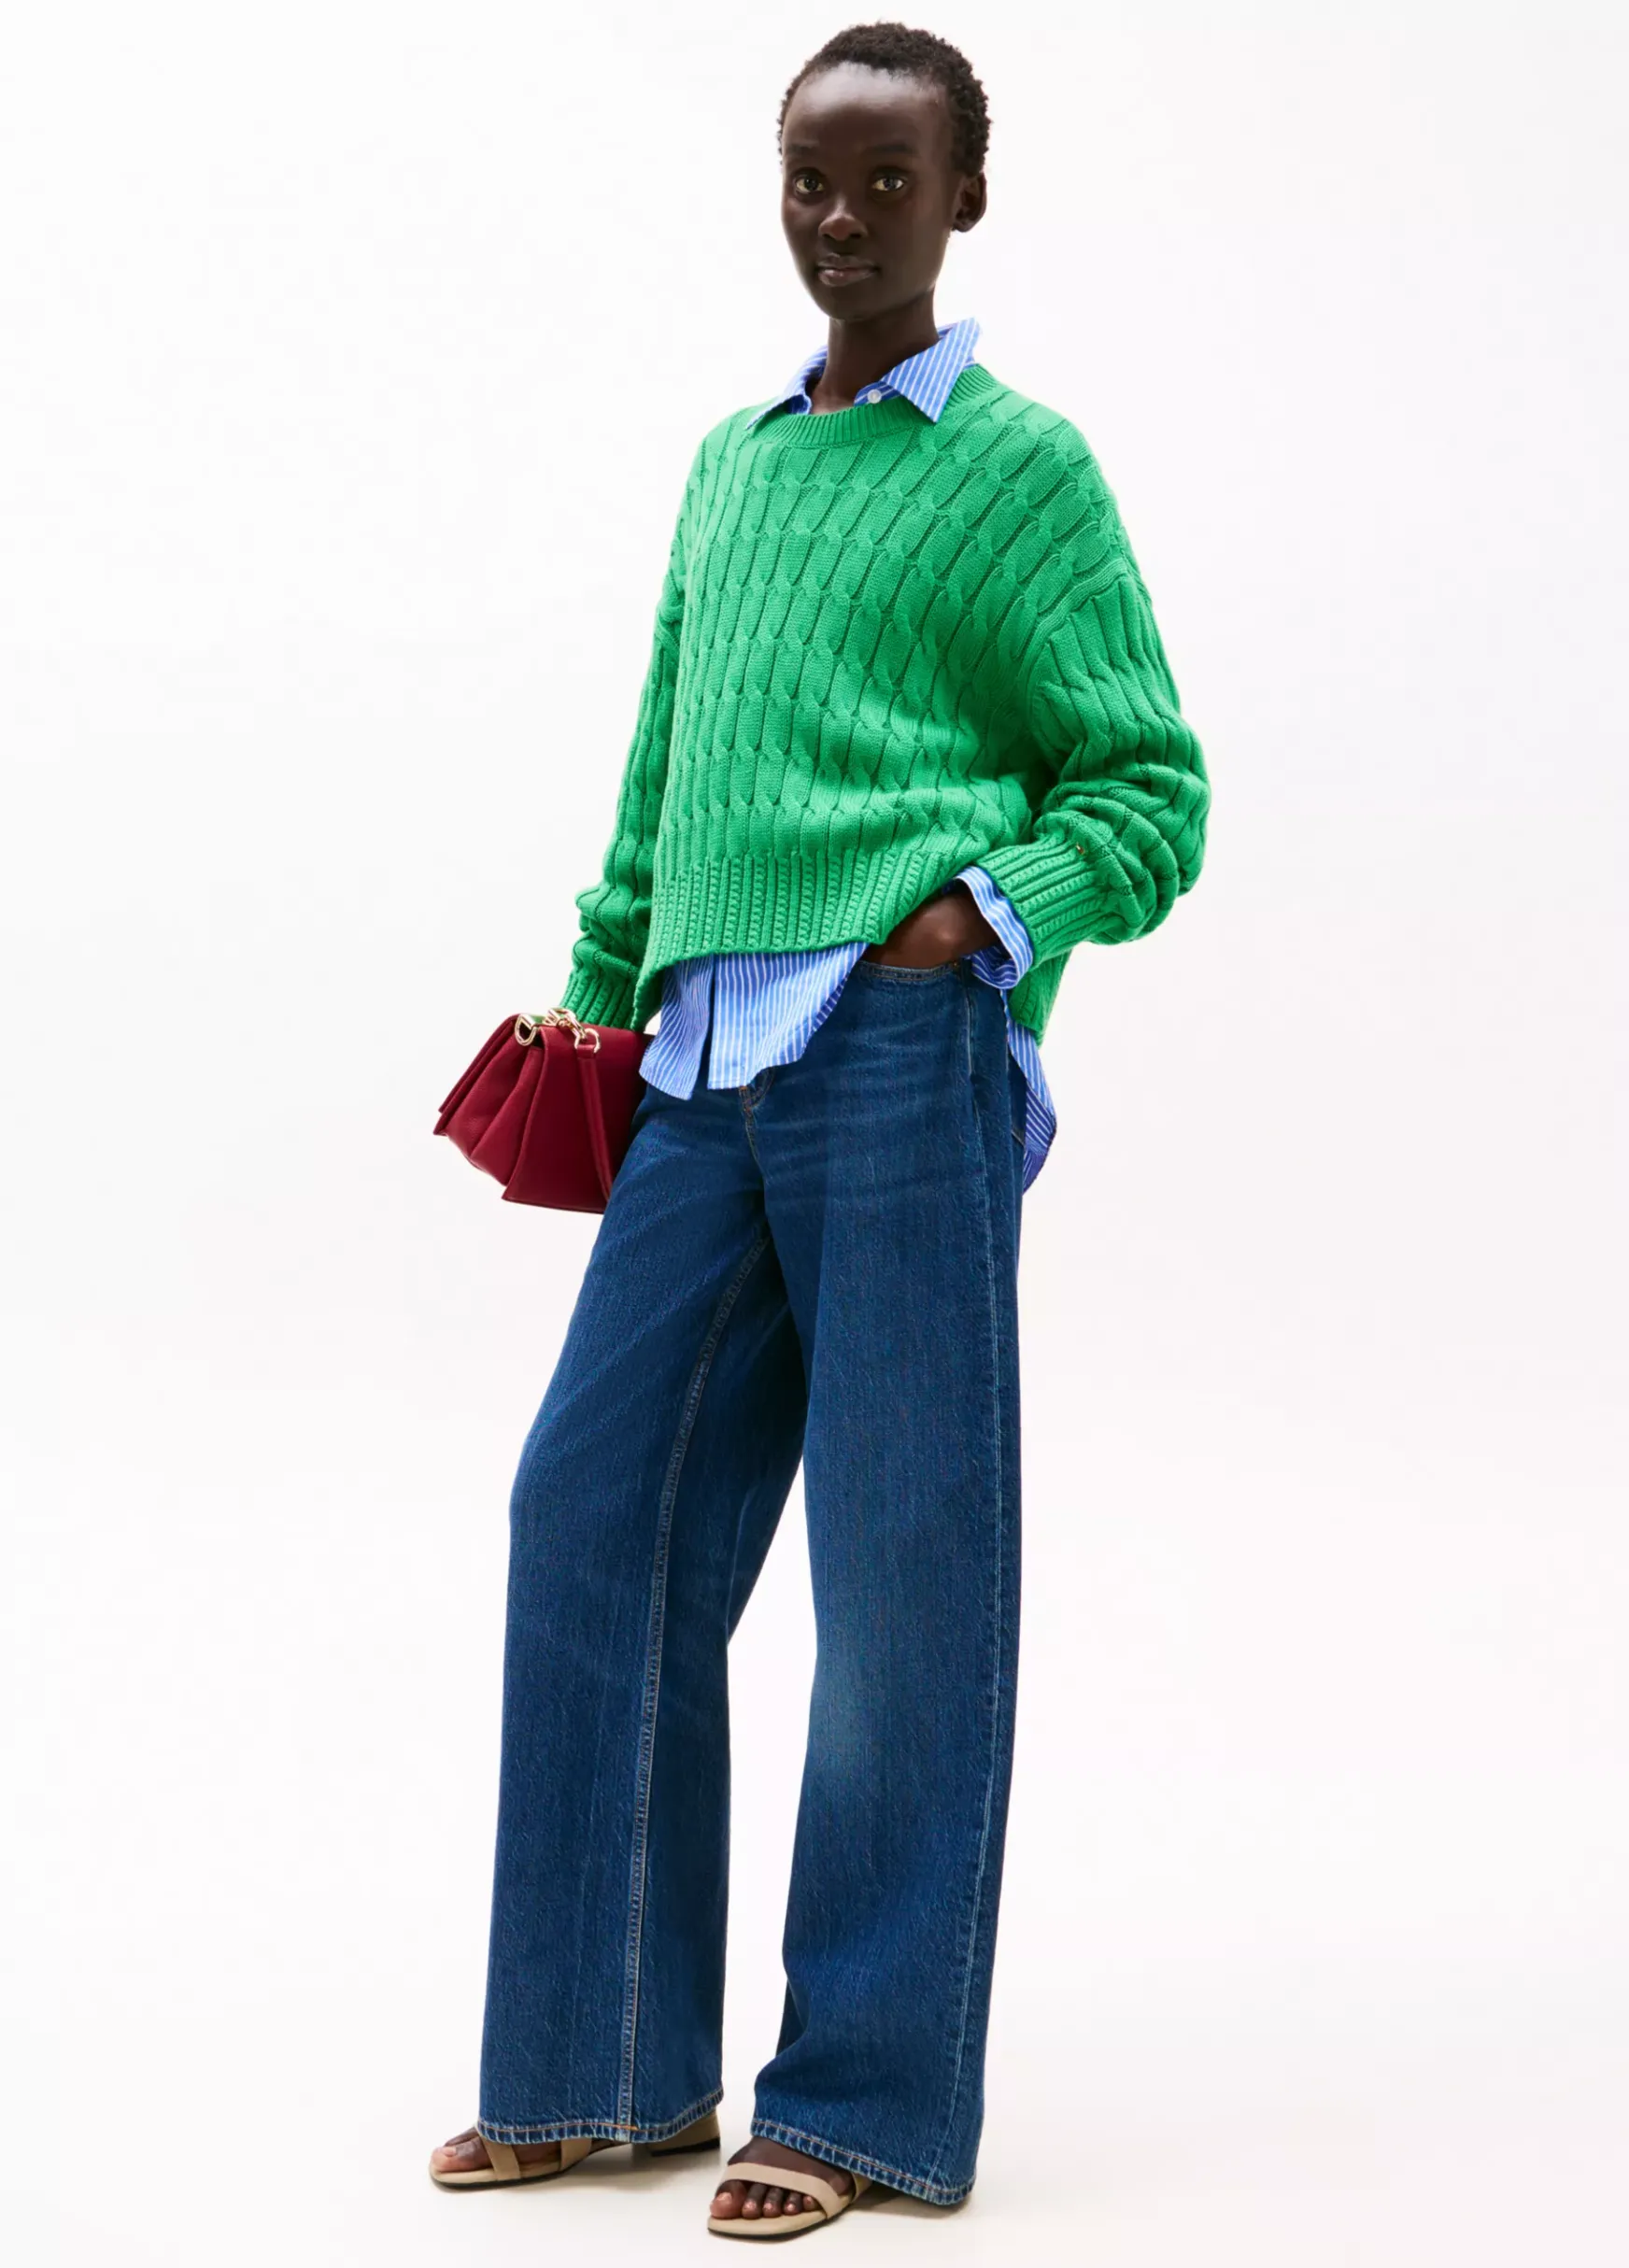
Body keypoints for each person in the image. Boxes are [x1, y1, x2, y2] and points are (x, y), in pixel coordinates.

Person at [429, 20, 1210, 2241]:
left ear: (965, 196)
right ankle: (596, 2065)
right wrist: (598, 988)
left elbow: (1150, 784)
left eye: (885, 177)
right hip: (698, 1066)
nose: (840, 216)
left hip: (896, 1057)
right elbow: (662, 761)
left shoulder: (1023, 471)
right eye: (808, 175)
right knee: (591, 1516)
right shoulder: (733, 466)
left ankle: (859, 2101)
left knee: (900, 1579)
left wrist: (981, 917)